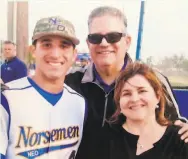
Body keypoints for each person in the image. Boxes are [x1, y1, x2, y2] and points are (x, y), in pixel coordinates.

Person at [64, 6, 188, 159]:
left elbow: (175, 123)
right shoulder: (69, 82)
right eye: (96, 37)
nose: (103, 43)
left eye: (113, 36)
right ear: (88, 43)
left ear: (127, 41)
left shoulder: (153, 80)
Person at [0, 16, 86, 159]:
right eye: (47, 44)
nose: (55, 54)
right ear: (33, 50)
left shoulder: (79, 103)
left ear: (74, 55)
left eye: (64, 46)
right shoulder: (6, 98)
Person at [104, 61, 188, 159]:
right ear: (119, 102)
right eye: (127, 93)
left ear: (157, 96)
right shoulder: (106, 137)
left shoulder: (180, 139)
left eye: (142, 91)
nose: (134, 99)